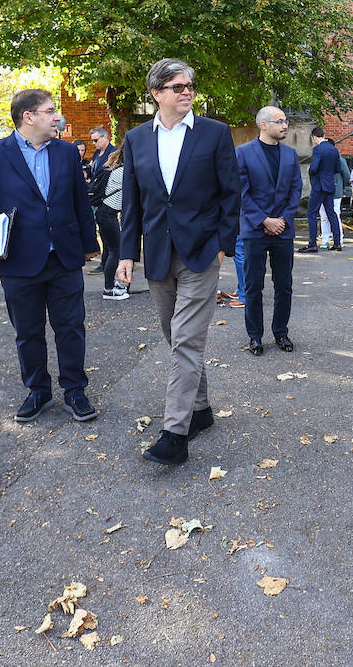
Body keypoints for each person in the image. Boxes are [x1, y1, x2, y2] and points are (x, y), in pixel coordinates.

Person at [117, 59, 240, 467]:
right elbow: (131, 201)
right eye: (177, 87)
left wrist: (223, 244)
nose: (187, 91)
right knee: (174, 335)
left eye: (190, 85)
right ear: (156, 93)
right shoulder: (135, 139)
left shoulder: (215, 133)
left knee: (186, 340)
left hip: (201, 253)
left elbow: (230, 194)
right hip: (156, 254)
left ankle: (175, 433)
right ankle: (201, 409)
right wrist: (126, 253)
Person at [0, 90, 101, 423]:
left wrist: (89, 244)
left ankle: (74, 390)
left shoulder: (67, 153)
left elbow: (80, 203)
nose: (57, 117)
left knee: (71, 328)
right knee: (28, 331)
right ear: (29, 117)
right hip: (19, 262)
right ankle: (38, 390)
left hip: (64, 257)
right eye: (50, 112)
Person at [236, 106, 302, 356]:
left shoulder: (290, 154)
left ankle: (281, 332)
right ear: (264, 125)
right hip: (254, 230)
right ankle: (255, 336)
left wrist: (282, 219)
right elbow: (241, 192)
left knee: (284, 285)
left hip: (283, 231)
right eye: (280, 121)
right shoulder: (242, 153)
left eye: (286, 121)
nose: (285, 125)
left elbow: (296, 189)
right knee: (253, 286)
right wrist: (264, 220)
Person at [88, 148, 129, 300]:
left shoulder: (117, 168)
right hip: (108, 215)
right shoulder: (123, 171)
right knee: (115, 251)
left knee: (109, 250)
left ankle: (110, 283)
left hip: (104, 213)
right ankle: (108, 289)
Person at [301, 128, 342, 253]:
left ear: (314, 137)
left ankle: (312, 244)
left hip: (319, 185)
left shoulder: (318, 149)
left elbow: (314, 168)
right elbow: (338, 168)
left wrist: (310, 170)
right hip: (329, 185)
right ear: (324, 135)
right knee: (332, 213)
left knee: (312, 213)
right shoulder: (334, 149)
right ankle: (337, 242)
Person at [318, 149, 350, 248]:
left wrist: (340, 185)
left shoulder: (339, 159)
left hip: (335, 191)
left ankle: (339, 238)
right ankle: (325, 238)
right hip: (322, 190)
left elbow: (347, 175)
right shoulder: (319, 159)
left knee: (335, 214)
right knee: (323, 216)